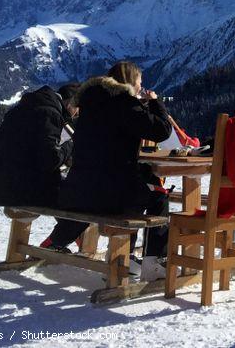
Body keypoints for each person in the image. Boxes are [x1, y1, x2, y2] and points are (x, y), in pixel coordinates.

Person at [48, 62, 172, 277]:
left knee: (139, 184)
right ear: (130, 83)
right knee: (158, 195)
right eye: (139, 84)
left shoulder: (92, 103)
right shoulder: (124, 103)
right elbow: (161, 131)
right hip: (108, 194)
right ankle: (154, 261)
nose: (141, 88)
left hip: (80, 190)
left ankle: (128, 256)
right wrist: (154, 103)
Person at [0, 86, 74, 207]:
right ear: (70, 103)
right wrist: (69, 144)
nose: (76, 114)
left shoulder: (22, 109)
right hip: (21, 191)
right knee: (78, 200)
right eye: (77, 108)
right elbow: (51, 159)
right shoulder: (50, 113)